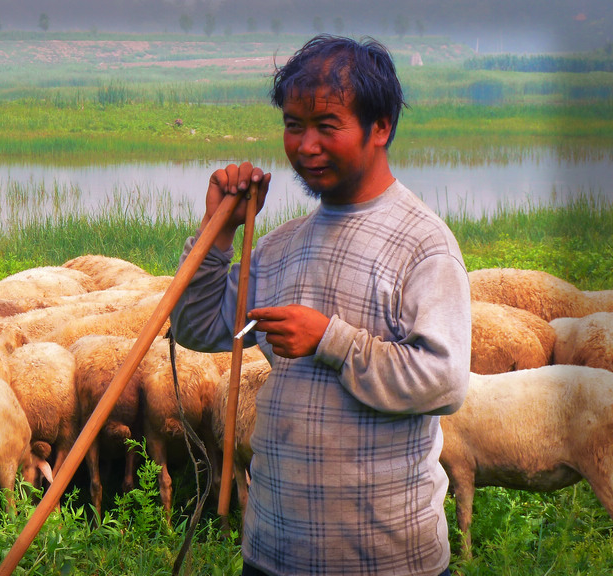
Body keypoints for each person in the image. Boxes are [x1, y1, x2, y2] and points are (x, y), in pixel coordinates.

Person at [170, 35, 471, 576]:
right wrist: (218, 234)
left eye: (326, 126)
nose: (305, 146)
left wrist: (330, 340)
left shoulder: (422, 243)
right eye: (293, 125)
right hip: (274, 551)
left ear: (380, 127)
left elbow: (443, 380)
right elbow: (197, 328)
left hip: (387, 559)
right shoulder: (280, 245)